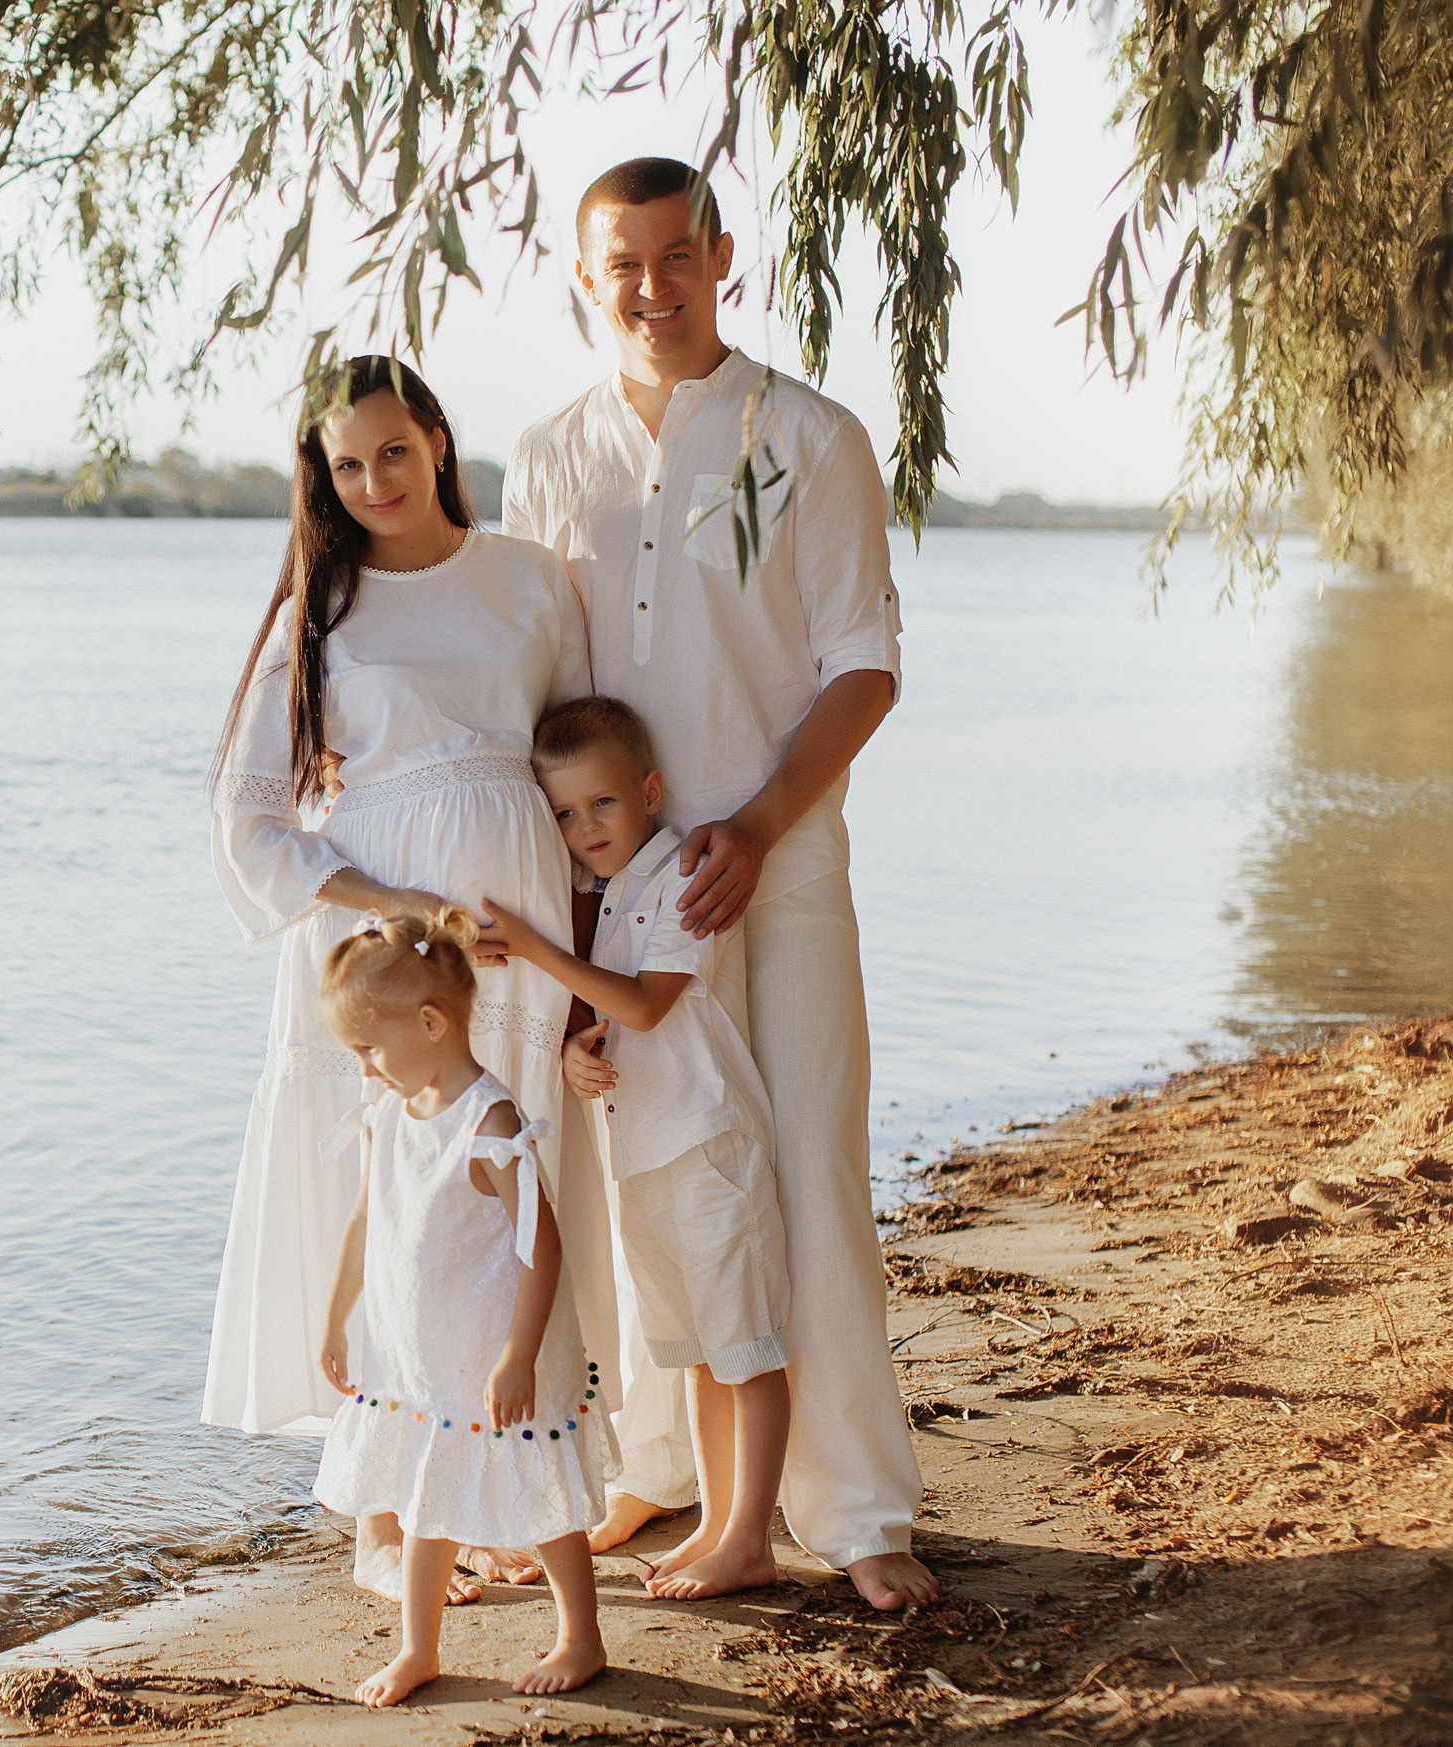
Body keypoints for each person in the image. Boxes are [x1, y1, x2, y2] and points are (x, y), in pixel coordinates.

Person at [503, 156, 938, 1611]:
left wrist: (751, 830)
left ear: (721, 255)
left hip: (782, 861)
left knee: (808, 1161)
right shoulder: (549, 452)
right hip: (620, 898)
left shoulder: (807, 436)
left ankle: (857, 1503)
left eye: (675, 253)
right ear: (585, 278)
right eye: (620, 262)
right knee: (651, 1181)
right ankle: (655, 1471)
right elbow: (540, 698)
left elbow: (863, 667)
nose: (649, 284)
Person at [206, 355, 614, 1601]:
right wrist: (403, 907)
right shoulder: (317, 614)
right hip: (387, 956)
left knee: (502, 1204)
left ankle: (503, 1483)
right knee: (381, 1194)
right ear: (322, 479)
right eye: (345, 463)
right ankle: (381, 1521)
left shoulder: (535, 585)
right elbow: (248, 817)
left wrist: (588, 967)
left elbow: (577, 768)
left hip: (523, 933)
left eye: (394, 449)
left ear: (438, 440)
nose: (374, 480)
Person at [481, 697, 791, 1601]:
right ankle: (713, 1520)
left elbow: (650, 1001)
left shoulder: (684, 875)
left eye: (602, 805)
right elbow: (616, 1013)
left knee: (748, 1350)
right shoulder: (611, 896)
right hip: (645, 1157)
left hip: (706, 1146)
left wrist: (537, 950)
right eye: (566, 815)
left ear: (650, 791)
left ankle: (750, 1536)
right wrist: (579, 1045)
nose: (585, 829)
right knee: (695, 1350)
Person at [310, 908, 614, 1705]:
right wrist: (336, 1317)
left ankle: (581, 1635)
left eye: (371, 1047)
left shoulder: (489, 1122)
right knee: (422, 1494)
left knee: (543, 1496)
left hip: (495, 1350)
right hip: (422, 1354)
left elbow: (542, 1247)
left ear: (432, 1020)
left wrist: (519, 1354)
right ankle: (419, 1648)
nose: (367, 1068)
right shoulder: (390, 1113)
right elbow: (365, 1219)